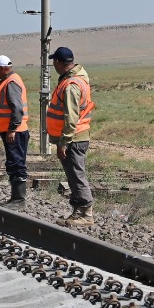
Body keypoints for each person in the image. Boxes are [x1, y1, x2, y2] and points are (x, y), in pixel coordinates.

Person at [47, 46, 95, 228]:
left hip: (73, 138)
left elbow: (71, 117)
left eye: (54, 62)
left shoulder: (71, 85)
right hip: (75, 137)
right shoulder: (76, 78)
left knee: (76, 175)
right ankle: (77, 212)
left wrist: (64, 143)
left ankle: (86, 214)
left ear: (58, 62)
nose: (54, 65)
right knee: (73, 175)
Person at [0, 55, 29, 205]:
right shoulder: (9, 81)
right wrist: (1, 130)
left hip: (15, 132)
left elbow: (17, 109)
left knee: (16, 163)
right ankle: (15, 198)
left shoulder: (11, 83)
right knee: (14, 162)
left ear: (3, 68)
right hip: (12, 131)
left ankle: (18, 199)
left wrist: (12, 129)